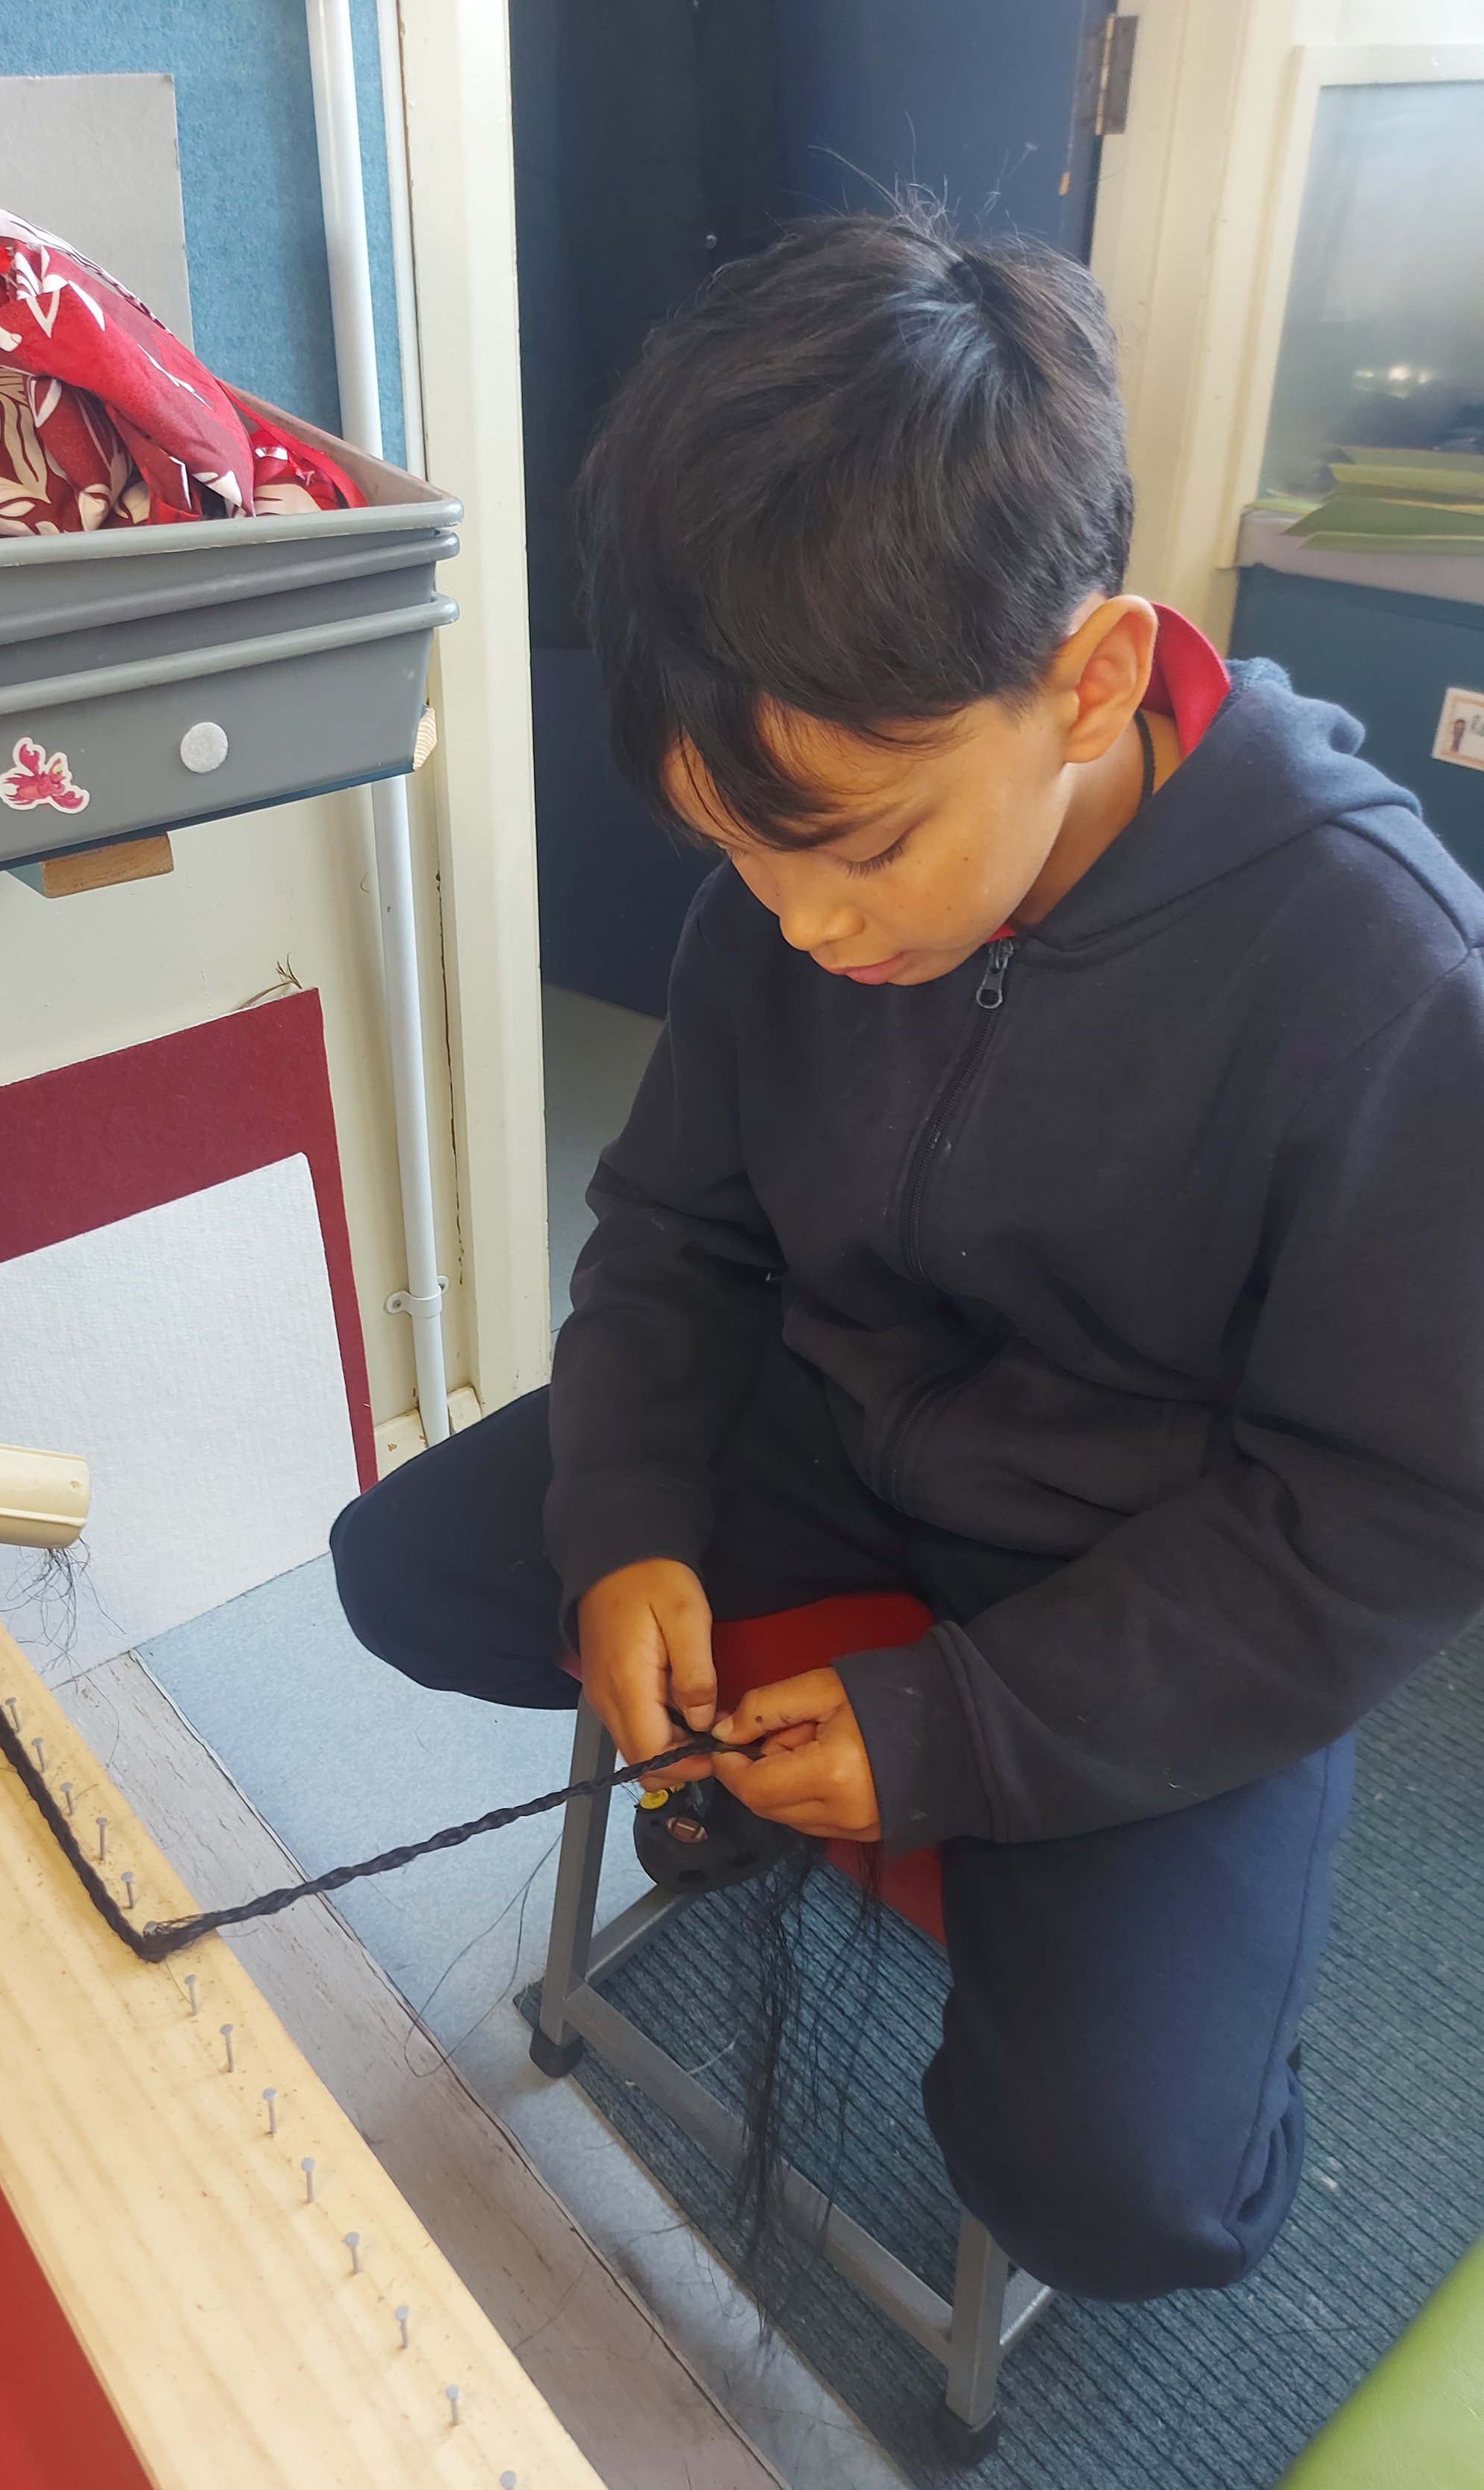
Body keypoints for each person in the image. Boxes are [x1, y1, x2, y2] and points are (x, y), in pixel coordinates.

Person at [331, 214, 1484, 2301]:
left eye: (852, 848)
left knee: (1127, 2196)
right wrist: (630, 1530)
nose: (796, 927)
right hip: (838, 1430)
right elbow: (675, 1232)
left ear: (1094, 677)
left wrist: (962, 1732)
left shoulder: (1388, 986)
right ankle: (774, 1722)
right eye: (735, 855)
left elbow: (1384, 1512)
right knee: (409, 1568)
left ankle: (1235, 2015)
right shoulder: (796, 867)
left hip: (1154, 1564)